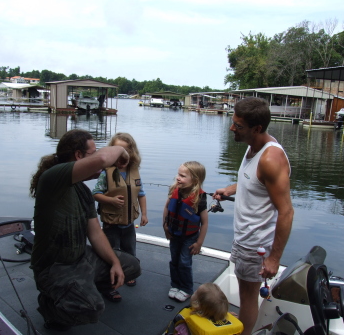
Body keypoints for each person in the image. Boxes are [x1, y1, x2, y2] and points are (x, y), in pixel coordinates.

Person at [29, 129, 141, 331]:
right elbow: (103, 159)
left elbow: (96, 233)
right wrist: (121, 151)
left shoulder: (82, 191)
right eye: (93, 152)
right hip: (54, 267)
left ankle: (82, 288)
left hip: (81, 259)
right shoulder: (52, 178)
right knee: (91, 308)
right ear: (79, 156)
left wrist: (115, 263)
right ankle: (49, 306)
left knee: (131, 266)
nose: (99, 157)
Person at [213, 97, 294, 335]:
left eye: (238, 126)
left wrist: (274, 259)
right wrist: (230, 189)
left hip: (256, 243)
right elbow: (252, 181)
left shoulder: (271, 159)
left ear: (257, 129)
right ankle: (245, 323)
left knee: (248, 297)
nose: (231, 129)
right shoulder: (253, 147)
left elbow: (287, 212)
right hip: (244, 237)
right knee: (243, 290)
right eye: (233, 122)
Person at [92, 132, 148, 298]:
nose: (122, 154)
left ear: (132, 152)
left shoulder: (134, 172)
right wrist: (110, 200)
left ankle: (129, 273)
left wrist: (144, 214)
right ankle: (109, 287)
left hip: (129, 225)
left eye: (126, 150)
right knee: (111, 254)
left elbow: (141, 194)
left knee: (130, 251)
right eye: (117, 150)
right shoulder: (106, 173)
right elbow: (95, 194)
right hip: (111, 225)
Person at [163, 161, 209, 302]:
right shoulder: (174, 190)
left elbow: (205, 222)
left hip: (190, 237)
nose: (178, 178)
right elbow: (167, 208)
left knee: (184, 262)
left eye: (183, 176)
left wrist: (199, 243)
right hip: (174, 234)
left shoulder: (199, 199)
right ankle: (175, 284)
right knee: (174, 260)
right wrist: (165, 226)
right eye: (178, 174)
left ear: (195, 180)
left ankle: (186, 288)